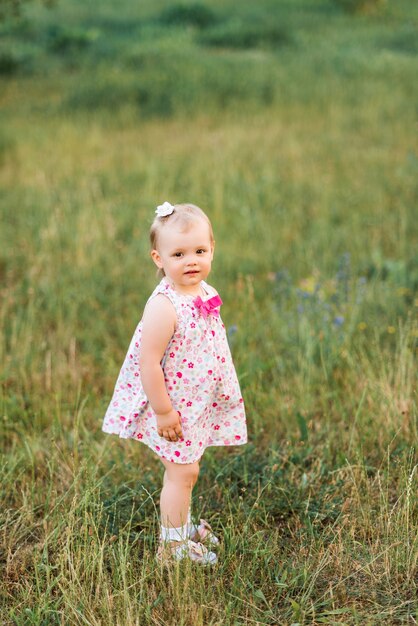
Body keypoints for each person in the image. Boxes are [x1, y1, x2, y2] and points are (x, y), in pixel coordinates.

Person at [102, 201, 248, 567]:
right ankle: (172, 548)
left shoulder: (202, 290)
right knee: (182, 472)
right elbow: (148, 362)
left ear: (213, 248)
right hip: (173, 406)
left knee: (189, 467)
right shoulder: (164, 306)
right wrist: (163, 412)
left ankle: (181, 525)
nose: (191, 260)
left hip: (197, 402)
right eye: (179, 253)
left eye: (200, 251)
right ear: (158, 258)